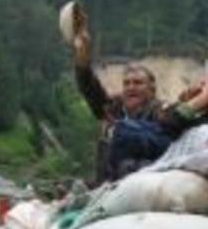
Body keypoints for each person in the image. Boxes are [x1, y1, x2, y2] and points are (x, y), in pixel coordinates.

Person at [71, 14, 173, 181]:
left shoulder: (159, 111)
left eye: (138, 83)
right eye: (127, 83)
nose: (131, 87)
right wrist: (83, 56)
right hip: (108, 186)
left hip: (145, 182)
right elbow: (90, 90)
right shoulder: (114, 110)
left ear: (152, 88)